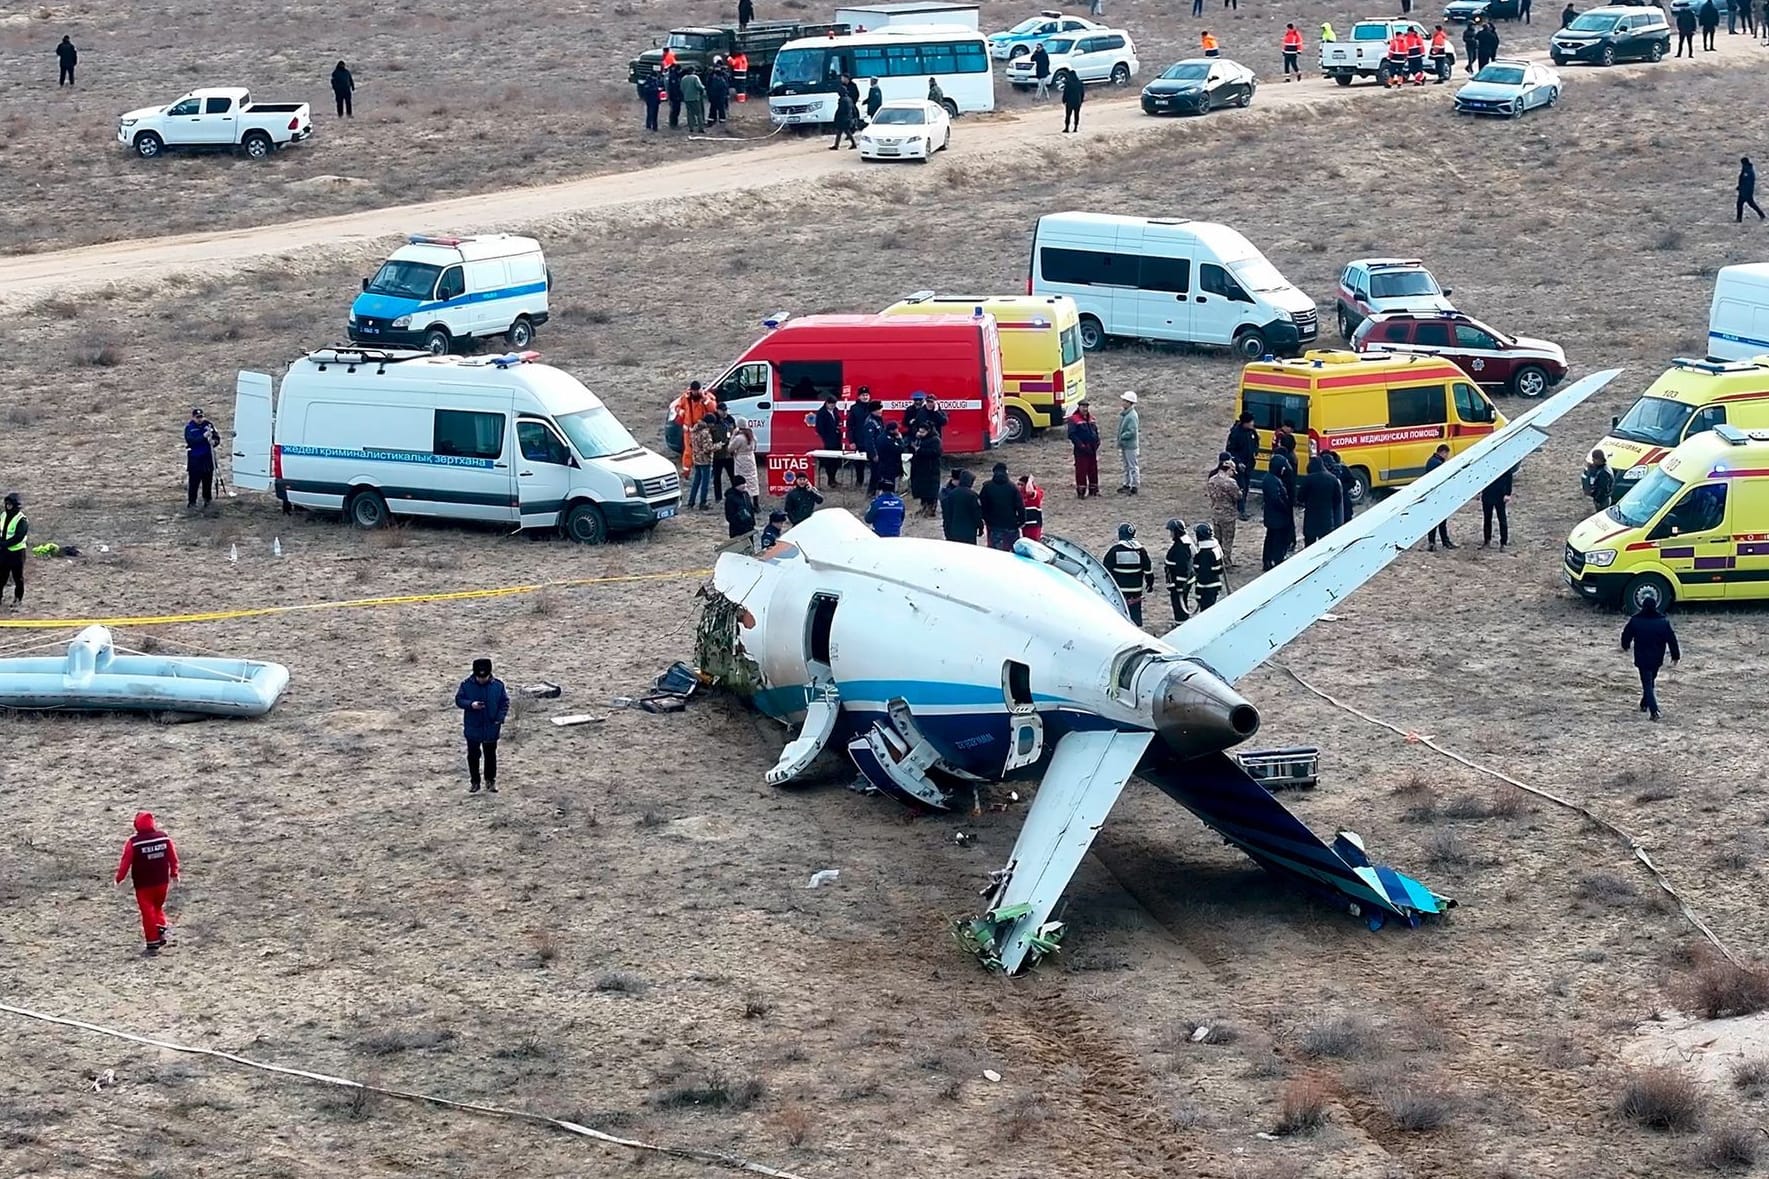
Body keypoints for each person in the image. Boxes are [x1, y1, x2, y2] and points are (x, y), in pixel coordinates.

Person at [114, 812, 179, 954]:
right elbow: (172, 857)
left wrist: (119, 878)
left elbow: (125, 862)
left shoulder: (134, 842)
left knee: (147, 911)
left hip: (143, 884)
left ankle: (152, 941)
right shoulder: (164, 838)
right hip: (162, 881)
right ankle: (161, 926)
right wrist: (174, 873)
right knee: (157, 906)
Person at [1621, 593, 1679, 721]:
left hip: (1642, 658)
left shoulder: (1636, 620)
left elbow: (1626, 634)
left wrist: (1625, 645)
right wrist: (1675, 655)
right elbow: (1672, 640)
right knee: (1650, 682)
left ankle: (1651, 708)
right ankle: (1649, 707)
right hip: (1657, 658)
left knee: (1648, 683)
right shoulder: (1662, 622)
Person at [455, 658, 510, 794]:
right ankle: (475, 782)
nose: (482, 679)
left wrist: (499, 718)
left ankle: (490, 781)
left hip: (492, 727)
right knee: (473, 756)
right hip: (473, 727)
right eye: (479, 677)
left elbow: (504, 702)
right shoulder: (466, 685)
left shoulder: (498, 686)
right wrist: (471, 704)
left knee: (490, 755)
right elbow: (459, 700)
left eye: (484, 677)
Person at [1104, 523, 1154, 627]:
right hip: (1136, 591)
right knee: (1135, 616)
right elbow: (1148, 570)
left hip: (1119, 591)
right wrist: (1150, 584)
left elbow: (1105, 571)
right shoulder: (1141, 551)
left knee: (1120, 616)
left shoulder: (1114, 551)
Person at [669, 381, 714, 476]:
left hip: (702, 429)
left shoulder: (706, 397)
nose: (695, 393)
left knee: (703, 451)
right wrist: (681, 412)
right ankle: (686, 471)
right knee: (688, 452)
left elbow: (712, 408)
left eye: (697, 391)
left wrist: (705, 398)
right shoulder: (685, 397)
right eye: (694, 391)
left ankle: (704, 470)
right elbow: (677, 407)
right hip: (689, 430)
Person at [979, 462, 1026, 550]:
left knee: (996, 552)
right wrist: (1021, 521)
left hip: (994, 525)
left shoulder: (987, 487)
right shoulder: (1012, 487)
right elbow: (1020, 506)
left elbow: (983, 505)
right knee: (1012, 551)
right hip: (1011, 525)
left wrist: (987, 519)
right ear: (1006, 472)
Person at [1205, 458, 1241, 568]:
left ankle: (1217, 560)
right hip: (1228, 515)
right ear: (1229, 469)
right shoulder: (1230, 482)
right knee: (1227, 540)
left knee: (1217, 539)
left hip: (1216, 513)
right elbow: (1238, 496)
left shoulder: (1212, 480)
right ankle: (1226, 562)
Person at [1301, 456, 1344, 546]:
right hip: (1327, 519)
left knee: (1309, 547)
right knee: (1325, 547)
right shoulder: (1333, 479)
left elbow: (1300, 497)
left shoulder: (1308, 479)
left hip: (1311, 519)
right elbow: (1337, 500)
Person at [184, 407, 220, 511]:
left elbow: (216, 437)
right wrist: (203, 437)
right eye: (197, 417)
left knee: (207, 481)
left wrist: (214, 442)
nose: (200, 419)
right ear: (193, 417)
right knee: (194, 482)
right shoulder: (189, 428)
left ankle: (207, 500)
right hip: (195, 459)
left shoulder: (208, 425)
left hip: (207, 458)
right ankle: (192, 502)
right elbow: (191, 441)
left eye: (201, 417)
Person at [1423, 444, 1457, 550]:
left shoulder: (1430, 461)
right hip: (1438, 495)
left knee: (1433, 520)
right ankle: (1444, 542)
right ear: (1443, 452)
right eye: (1447, 454)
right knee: (1441, 520)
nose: (1447, 456)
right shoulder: (1438, 464)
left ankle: (1432, 542)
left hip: (1433, 495)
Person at [1226, 412, 1258, 517]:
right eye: (1250, 422)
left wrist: (1255, 452)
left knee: (1246, 487)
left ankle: (1242, 506)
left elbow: (1256, 442)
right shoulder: (1236, 434)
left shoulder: (1252, 432)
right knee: (1241, 487)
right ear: (1245, 423)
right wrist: (1238, 462)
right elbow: (1230, 451)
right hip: (1239, 466)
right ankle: (1241, 510)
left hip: (1249, 464)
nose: (1253, 423)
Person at [1260, 466, 1293, 571]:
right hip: (1277, 517)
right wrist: (1285, 508)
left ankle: (1268, 560)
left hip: (1272, 516)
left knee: (1270, 538)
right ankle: (1275, 560)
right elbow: (1276, 499)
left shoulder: (1270, 478)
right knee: (1276, 539)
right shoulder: (1272, 481)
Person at [1164, 519, 1195, 623]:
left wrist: (1179, 585)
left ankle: (1181, 624)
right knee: (1180, 603)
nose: (1170, 534)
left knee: (1179, 605)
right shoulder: (1184, 542)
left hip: (1180, 583)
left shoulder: (1181, 547)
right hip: (1181, 582)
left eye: (1171, 531)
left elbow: (1183, 568)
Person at [909, 424, 944, 517]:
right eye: (919, 431)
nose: (920, 433)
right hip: (920, 469)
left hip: (931, 469)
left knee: (931, 491)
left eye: (922, 432)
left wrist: (920, 450)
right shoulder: (919, 439)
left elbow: (936, 452)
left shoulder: (935, 440)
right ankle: (923, 507)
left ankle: (931, 509)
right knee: (922, 490)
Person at [1068, 402, 1101, 497]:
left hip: (1092, 448)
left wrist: (1097, 442)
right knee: (1081, 470)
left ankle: (1094, 490)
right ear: (1079, 407)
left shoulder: (1091, 419)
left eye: (1086, 407)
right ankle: (1081, 491)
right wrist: (1081, 446)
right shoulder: (1074, 419)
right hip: (1081, 450)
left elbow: (1095, 431)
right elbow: (1072, 435)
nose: (1085, 409)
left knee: (1093, 469)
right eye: (1083, 407)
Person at [846, 387, 877, 490]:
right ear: (859, 396)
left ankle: (874, 483)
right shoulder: (854, 409)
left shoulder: (874, 408)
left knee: (874, 463)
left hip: (872, 440)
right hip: (859, 440)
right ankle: (859, 482)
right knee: (859, 464)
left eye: (867, 395)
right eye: (863, 395)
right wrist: (851, 441)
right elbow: (850, 426)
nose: (865, 397)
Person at [942, 470, 984, 543]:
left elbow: (947, 514)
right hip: (969, 532)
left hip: (954, 531)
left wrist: (947, 530)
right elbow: (977, 514)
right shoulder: (972, 495)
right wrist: (980, 527)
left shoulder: (951, 494)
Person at [0, 492, 26, 607]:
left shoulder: (22, 520)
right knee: (1, 576)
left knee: (17, 577)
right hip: (3, 552)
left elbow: (19, 537)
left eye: (10, 504)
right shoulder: (3, 515)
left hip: (17, 553)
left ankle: (18, 599)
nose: (7, 506)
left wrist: (4, 544)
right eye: (7, 504)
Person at [1193, 523, 1226, 610]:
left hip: (1206, 588)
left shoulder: (1203, 554)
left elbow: (1201, 574)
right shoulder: (1215, 548)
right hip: (1215, 585)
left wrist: (1199, 591)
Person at [1481, 465, 1515, 549]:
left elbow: (1509, 477)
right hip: (1487, 493)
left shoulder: (1503, 463)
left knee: (1502, 519)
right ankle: (1487, 541)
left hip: (1500, 495)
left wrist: (1507, 493)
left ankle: (1503, 542)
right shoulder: (1486, 463)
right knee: (1487, 519)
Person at [728, 422, 759, 510]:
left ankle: (744, 502)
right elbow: (755, 447)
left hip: (741, 459)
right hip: (751, 458)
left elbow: (730, 448)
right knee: (753, 479)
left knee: (741, 479)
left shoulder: (739, 438)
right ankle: (756, 504)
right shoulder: (752, 436)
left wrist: (733, 436)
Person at [688, 416, 716, 510]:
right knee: (705, 483)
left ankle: (691, 502)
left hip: (696, 459)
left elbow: (691, 444)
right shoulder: (705, 433)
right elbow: (707, 449)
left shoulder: (694, 430)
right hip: (705, 460)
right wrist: (718, 446)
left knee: (696, 481)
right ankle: (702, 503)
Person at [705, 408, 733, 499]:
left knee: (730, 476)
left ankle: (730, 495)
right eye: (723, 410)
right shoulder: (714, 422)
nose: (725, 412)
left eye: (725, 410)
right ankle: (718, 496)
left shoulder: (729, 420)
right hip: (719, 454)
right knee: (718, 477)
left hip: (726, 454)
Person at [1117, 391, 1140, 495]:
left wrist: (1122, 437)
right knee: (1127, 466)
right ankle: (1127, 484)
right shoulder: (1127, 414)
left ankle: (1134, 485)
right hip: (1126, 445)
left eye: (1125, 401)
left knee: (1132, 466)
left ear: (1129, 403)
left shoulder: (1131, 416)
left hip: (1130, 446)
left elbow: (1132, 431)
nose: (1123, 402)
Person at [872, 421, 905, 494]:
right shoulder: (887, 440)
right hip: (889, 467)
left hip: (883, 465)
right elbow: (900, 449)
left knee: (883, 484)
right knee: (889, 486)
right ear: (892, 430)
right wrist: (900, 440)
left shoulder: (881, 437)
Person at [724, 475, 757, 540]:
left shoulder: (745, 494)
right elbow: (729, 516)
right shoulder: (730, 498)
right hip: (737, 530)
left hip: (749, 528)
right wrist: (740, 518)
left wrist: (752, 522)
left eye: (744, 483)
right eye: (741, 484)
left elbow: (750, 508)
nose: (744, 485)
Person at [831, 82, 859, 150]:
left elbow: (841, 110)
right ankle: (836, 145)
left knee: (846, 132)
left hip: (843, 118)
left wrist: (837, 118)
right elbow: (853, 109)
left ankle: (853, 144)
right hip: (847, 118)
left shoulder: (843, 100)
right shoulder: (849, 99)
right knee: (840, 132)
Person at [1018, 475, 1045, 542]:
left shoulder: (1037, 492)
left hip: (1034, 525)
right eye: (1018, 484)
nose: (1019, 487)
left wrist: (1030, 480)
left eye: (1022, 485)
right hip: (1025, 524)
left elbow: (1029, 491)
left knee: (1034, 544)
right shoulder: (1019, 494)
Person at [681, 67, 707, 133]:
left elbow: (681, 88)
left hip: (687, 98)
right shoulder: (695, 77)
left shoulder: (683, 78)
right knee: (698, 113)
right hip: (695, 98)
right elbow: (699, 86)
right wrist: (703, 89)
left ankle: (691, 127)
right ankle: (701, 128)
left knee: (690, 113)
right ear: (693, 71)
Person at [1741, 158, 1766, 223]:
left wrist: (1745, 190)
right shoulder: (1746, 169)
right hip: (1743, 191)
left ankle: (1739, 219)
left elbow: (1748, 183)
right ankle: (1761, 214)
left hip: (1746, 192)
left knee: (1749, 204)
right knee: (1747, 204)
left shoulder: (1748, 171)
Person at [1061, 68, 1085, 132]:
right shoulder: (1080, 83)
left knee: (1068, 115)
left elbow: (1066, 93)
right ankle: (1075, 128)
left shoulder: (1068, 83)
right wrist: (1081, 100)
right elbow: (1082, 93)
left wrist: (1064, 100)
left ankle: (1067, 128)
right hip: (1078, 101)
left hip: (1070, 102)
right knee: (1076, 115)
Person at [666, 65, 684, 129]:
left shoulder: (676, 76)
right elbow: (673, 88)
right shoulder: (673, 77)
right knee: (674, 110)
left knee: (676, 110)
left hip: (676, 96)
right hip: (674, 97)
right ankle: (673, 123)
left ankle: (674, 123)